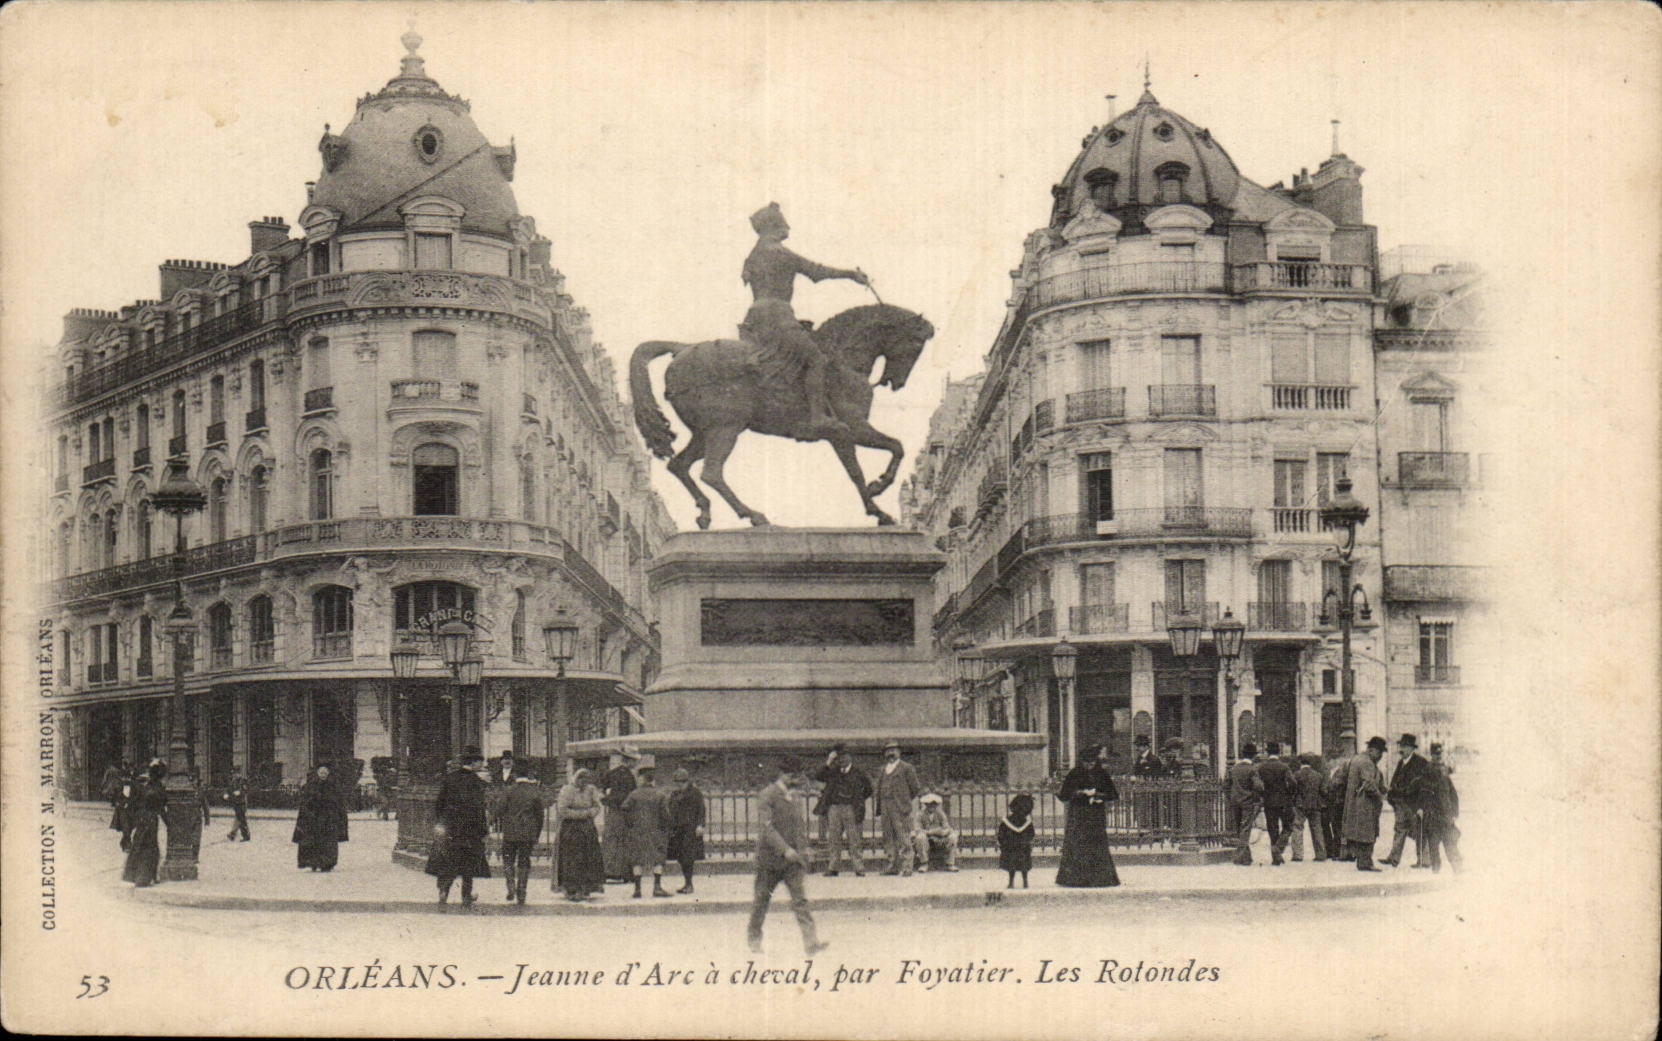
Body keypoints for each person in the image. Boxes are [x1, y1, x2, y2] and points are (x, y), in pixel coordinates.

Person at [740, 202, 871, 437]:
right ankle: (818, 416)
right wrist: (851, 275)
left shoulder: (754, 254)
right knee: (815, 359)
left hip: (756, 318)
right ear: (773, 226)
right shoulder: (777, 251)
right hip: (777, 315)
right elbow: (816, 271)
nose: (787, 227)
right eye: (782, 224)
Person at [747, 757, 829, 956]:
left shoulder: (795, 797)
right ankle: (754, 939)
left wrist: (803, 852)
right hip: (770, 861)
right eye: (793, 775)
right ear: (784, 775)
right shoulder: (767, 795)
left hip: (792, 863)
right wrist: (785, 849)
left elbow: (799, 828)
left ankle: (811, 942)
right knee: (761, 901)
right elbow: (767, 829)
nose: (797, 780)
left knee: (800, 901)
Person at [426, 748, 491, 907]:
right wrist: (483, 830)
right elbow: (479, 808)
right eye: (480, 761)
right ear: (474, 762)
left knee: (449, 861)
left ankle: (444, 891)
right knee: (468, 865)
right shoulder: (477, 782)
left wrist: (442, 821)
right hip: (470, 829)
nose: (481, 764)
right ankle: (466, 896)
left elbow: (439, 804)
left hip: (450, 827)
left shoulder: (450, 779)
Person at [1056, 742, 1121, 887]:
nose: (1089, 766)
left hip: (1095, 815)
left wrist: (1098, 795)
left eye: (1092, 762)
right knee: (1077, 845)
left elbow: (1112, 794)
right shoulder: (1074, 773)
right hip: (1079, 815)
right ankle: (1075, 879)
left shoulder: (1102, 774)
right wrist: (1080, 793)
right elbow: (1064, 795)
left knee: (1097, 845)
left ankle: (1100, 879)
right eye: (1086, 762)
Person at [813, 746, 872, 876]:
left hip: (851, 808)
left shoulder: (858, 772)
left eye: (844, 756)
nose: (842, 760)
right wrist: (829, 761)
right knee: (834, 838)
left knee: (854, 838)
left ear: (850, 757)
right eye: (839, 758)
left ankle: (858, 867)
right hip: (834, 808)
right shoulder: (833, 771)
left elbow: (869, 789)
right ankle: (833, 867)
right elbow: (818, 776)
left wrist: (858, 800)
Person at [621, 765, 673, 898]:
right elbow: (666, 815)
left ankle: (637, 889)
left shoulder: (634, 794)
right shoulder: (660, 794)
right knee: (658, 859)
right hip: (656, 832)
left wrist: (631, 824)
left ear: (642, 778)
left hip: (638, 832)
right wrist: (665, 828)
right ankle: (657, 887)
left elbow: (624, 809)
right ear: (652, 779)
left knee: (637, 859)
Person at [554, 768, 605, 902]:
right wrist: (582, 814)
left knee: (589, 857)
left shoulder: (591, 790)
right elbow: (562, 809)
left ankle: (586, 887)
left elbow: (597, 806)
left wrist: (590, 813)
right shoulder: (567, 790)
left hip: (587, 828)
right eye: (582, 780)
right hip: (571, 828)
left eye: (587, 781)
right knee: (572, 859)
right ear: (576, 779)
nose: (584, 783)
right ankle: (572, 889)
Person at [1383, 733, 1433, 868]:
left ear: (1412, 748)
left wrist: (1422, 806)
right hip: (1401, 803)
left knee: (1419, 831)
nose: (1401, 749)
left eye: (1404, 746)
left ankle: (1425, 860)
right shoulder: (1401, 763)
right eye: (1401, 746)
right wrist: (1392, 796)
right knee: (1399, 829)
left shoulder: (1421, 763)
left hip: (1414, 804)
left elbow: (1425, 786)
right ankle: (1393, 858)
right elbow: (1394, 781)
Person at [498, 763, 544, 905]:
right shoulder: (534, 791)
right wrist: (537, 833)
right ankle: (522, 891)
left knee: (508, 859)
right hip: (527, 832)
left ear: (515, 775)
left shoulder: (508, 790)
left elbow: (500, 809)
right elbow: (540, 815)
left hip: (510, 831)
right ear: (528, 774)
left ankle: (510, 885)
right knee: (524, 861)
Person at [874, 740, 922, 876]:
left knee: (903, 837)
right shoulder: (883, 769)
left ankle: (907, 866)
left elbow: (915, 789)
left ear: (899, 752)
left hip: (899, 807)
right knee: (888, 837)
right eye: (888, 751)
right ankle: (892, 865)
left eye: (893, 750)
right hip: (884, 806)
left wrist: (903, 801)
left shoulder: (907, 768)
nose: (890, 753)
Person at [1342, 736, 1389, 871]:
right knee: (1367, 833)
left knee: (1360, 832)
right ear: (1372, 751)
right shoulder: (1367, 763)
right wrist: (1380, 796)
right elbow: (1369, 784)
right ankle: (1365, 862)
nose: (1380, 757)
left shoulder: (1357, 759)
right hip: (1365, 804)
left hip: (1355, 803)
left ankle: (1362, 860)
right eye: (1380, 753)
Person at [122, 760, 169, 887]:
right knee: (150, 848)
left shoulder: (145, 787)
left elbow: (134, 804)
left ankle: (135, 875)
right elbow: (162, 809)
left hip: (141, 819)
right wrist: (170, 824)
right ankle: (145, 877)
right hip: (151, 820)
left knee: (139, 845)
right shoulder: (159, 789)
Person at [293, 765, 348, 872]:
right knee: (313, 842)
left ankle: (327, 863)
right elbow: (305, 803)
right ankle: (313, 863)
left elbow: (338, 803)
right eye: (321, 773)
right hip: (313, 819)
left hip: (328, 820)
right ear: (317, 773)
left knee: (328, 843)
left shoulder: (333, 786)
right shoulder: (311, 786)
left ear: (328, 774)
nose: (323, 775)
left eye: (325, 773)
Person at [600, 747, 641, 883]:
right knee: (623, 840)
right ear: (628, 760)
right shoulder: (629, 776)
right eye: (634, 761)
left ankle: (610, 871)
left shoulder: (611, 773)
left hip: (613, 811)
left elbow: (602, 791)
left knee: (612, 839)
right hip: (624, 812)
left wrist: (607, 800)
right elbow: (632, 795)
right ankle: (621, 872)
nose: (635, 764)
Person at [1422, 743, 1464, 873]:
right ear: (1431, 754)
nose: (1437, 757)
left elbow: (1452, 793)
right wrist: (1421, 809)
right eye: (1435, 754)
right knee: (1434, 845)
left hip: (1445, 815)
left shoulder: (1444, 772)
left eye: (1439, 754)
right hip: (1433, 815)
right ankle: (1436, 870)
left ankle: (1457, 868)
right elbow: (1423, 793)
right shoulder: (1427, 770)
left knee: (1450, 842)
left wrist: (1454, 812)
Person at [666, 768, 707, 894]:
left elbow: (701, 809)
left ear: (687, 782)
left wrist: (700, 825)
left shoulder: (695, 793)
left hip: (690, 829)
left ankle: (689, 884)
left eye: (681, 783)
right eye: (677, 783)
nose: (679, 785)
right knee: (681, 857)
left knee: (688, 857)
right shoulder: (675, 794)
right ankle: (686, 883)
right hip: (678, 829)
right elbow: (671, 810)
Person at [1256, 740, 1297, 866]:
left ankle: (1276, 857)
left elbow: (1259, 786)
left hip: (1269, 803)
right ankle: (1278, 848)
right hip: (1284, 802)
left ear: (1267, 752)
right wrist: (1290, 794)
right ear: (1278, 752)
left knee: (1272, 829)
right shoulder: (1284, 767)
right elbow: (1293, 783)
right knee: (1288, 826)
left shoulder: (1261, 767)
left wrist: (1263, 795)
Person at [1227, 742, 1266, 866]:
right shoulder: (1252, 769)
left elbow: (1226, 785)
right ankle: (1239, 857)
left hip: (1235, 802)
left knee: (1239, 829)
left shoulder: (1234, 769)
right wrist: (1255, 797)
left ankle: (1246, 857)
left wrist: (1231, 796)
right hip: (1247, 802)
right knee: (1245, 829)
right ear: (1253, 756)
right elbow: (1259, 786)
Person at [1289, 753, 1327, 862]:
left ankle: (1298, 855)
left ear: (1301, 762)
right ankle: (1320, 854)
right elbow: (1323, 791)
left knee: (1297, 828)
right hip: (1315, 805)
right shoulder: (1318, 775)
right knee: (1317, 829)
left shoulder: (1296, 775)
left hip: (1300, 805)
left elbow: (1292, 789)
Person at [912, 792, 960, 872]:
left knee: (953, 837)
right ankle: (924, 863)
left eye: (934, 804)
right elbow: (917, 829)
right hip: (927, 839)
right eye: (929, 804)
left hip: (939, 839)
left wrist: (944, 832)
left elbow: (946, 827)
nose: (932, 806)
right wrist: (932, 832)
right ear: (926, 805)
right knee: (920, 837)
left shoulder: (940, 814)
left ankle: (950, 864)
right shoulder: (920, 815)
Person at [998, 793, 1035, 889]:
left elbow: (1001, 834)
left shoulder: (1007, 821)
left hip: (1011, 847)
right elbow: (1032, 834)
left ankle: (1011, 883)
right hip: (1023, 847)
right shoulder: (1027, 822)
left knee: (1011, 865)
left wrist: (1003, 844)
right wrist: (1027, 841)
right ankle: (1025, 882)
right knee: (1024, 866)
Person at [1323, 752, 1351, 861]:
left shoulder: (1338, 773)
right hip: (1338, 803)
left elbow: (1334, 787)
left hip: (1337, 803)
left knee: (1337, 828)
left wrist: (1328, 791)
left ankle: (1338, 853)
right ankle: (1339, 852)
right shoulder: (1338, 772)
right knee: (1338, 828)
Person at [225, 769, 250, 842]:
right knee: (239, 819)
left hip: (242, 803)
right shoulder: (233, 782)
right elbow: (229, 789)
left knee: (241, 819)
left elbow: (246, 790)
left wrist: (240, 792)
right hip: (235, 803)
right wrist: (226, 794)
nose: (235, 775)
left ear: (239, 773)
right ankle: (234, 834)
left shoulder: (243, 781)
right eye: (234, 774)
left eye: (236, 774)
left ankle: (243, 835)